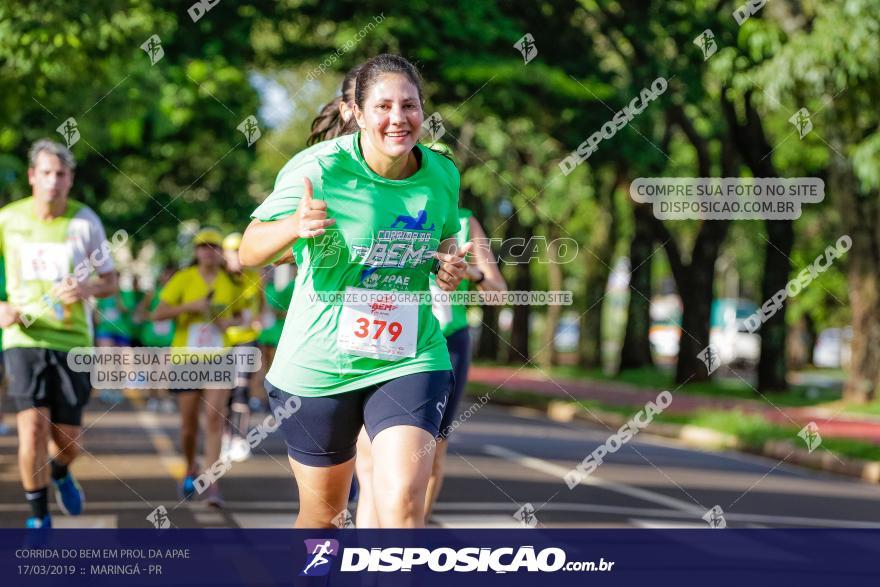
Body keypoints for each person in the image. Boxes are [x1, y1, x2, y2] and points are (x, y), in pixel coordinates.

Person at [239, 54, 470, 528]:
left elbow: (443, 236)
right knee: (323, 516)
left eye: (409, 106)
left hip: (411, 354)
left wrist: (446, 264)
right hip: (321, 363)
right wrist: (293, 226)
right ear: (357, 113)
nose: (398, 118)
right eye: (383, 106)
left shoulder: (443, 173)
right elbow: (249, 251)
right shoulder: (319, 169)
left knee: (405, 499)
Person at [354, 205, 507, 526]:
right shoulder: (382, 201)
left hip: (444, 343)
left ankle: (411, 532)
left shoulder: (465, 221)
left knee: (433, 446)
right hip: (387, 335)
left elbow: (499, 294)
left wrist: (472, 274)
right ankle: (370, 555)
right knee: (368, 453)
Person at [0, 139, 119, 528]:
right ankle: (38, 517)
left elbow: (110, 281)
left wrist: (87, 290)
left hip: (71, 341)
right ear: (33, 176)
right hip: (23, 338)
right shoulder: (8, 219)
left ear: (71, 180)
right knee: (31, 428)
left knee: (67, 441)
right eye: (46, 173)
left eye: (61, 174)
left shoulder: (85, 222)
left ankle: (62, 473)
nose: (53, 181)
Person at [151, 228, 239, 507]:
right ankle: (189, 468)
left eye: (214, 246)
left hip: (219, 356)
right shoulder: (183, 278)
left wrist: (228, 321)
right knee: (188, 426)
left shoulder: (229, 282)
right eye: (203, 247)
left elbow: (242, 315)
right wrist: (189, 307)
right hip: (187, 359)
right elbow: (158, 313)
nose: (208, 251)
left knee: (215, 419)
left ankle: (212, 481)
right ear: (196, 252)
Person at [221, 232, 265, 462]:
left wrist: (259, 318)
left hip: (247, 338)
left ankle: (240, 437)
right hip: (223, 340)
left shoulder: (255, 276)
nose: (236, 255)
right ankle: (224, 435)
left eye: (240, 250)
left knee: (242, 387)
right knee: (224, 391)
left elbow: (261, 303)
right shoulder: (219, 279)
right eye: (232, 251)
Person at [135, 265, 177, 413]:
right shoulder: (153, 294)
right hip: (151, 338)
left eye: (172, 276)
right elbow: (141, 311)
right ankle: (153, 398)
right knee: (152, 370)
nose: (169, 279)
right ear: (162, 277)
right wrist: (153, 317)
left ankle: (164, 398)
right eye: (167, 275)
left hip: (168, 339)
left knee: (164, 370)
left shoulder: (178, 295)